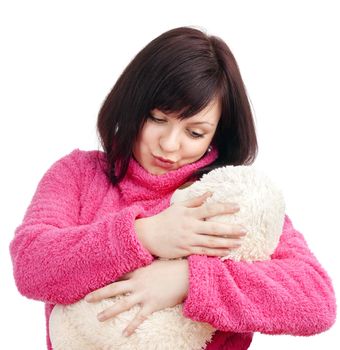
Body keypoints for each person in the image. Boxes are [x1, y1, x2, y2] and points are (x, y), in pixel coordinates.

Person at [10, 26, 336, 350]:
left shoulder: (231, 196)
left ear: (217, 134)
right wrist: (145, 235)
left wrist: (189, 280)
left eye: (195, 133)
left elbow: (316, 302)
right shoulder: (80, 174)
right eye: (157, 118)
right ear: (133, 105)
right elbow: (30, 266)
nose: (169, 144)